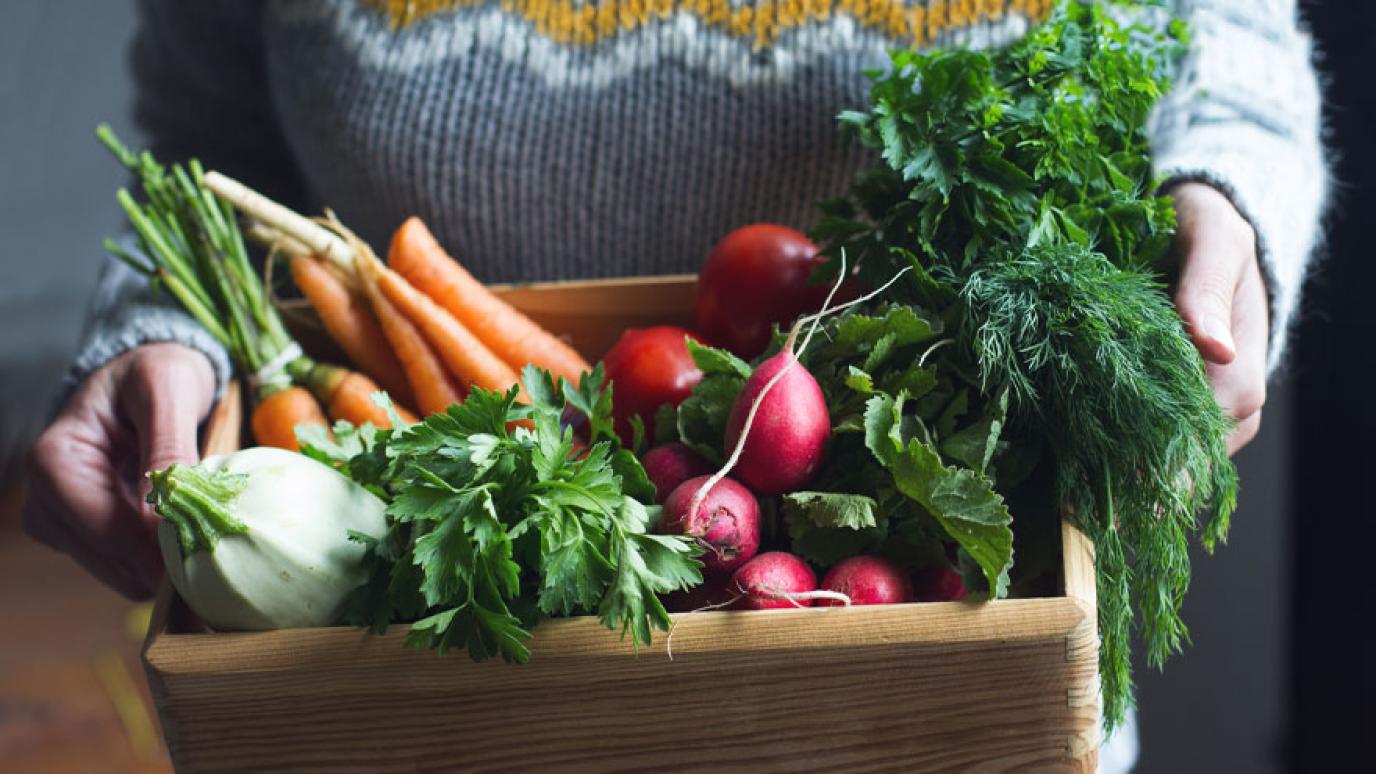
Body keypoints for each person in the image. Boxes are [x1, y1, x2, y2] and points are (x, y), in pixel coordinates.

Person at [22, 0, 1325, 768]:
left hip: (937, 700)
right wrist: (170, 323)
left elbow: (1225, 34)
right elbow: (213, 140)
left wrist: (1225, 207)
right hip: (422, 692)